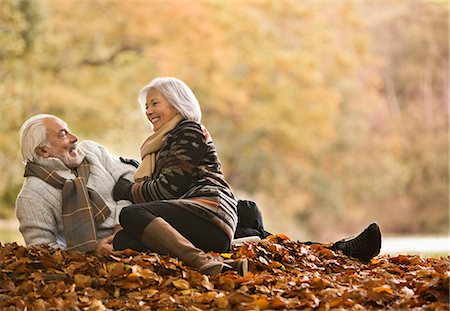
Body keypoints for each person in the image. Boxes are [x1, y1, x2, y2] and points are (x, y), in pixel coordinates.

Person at [112, 77, 246, 275]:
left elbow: (165, 190)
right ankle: (223, 265)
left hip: (209, 213)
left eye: (155, 103)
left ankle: (200, 261)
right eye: (146, 106)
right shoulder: (164, 142)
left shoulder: (189, 131)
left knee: (131, 214)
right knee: (123, 240)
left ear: (177, 103)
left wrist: (127, 190)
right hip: (193, 220)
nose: (148, 111)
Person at [15, 114, 137, 253]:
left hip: (136, 224)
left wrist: (120, 224)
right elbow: (41, 250)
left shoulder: (91, 151)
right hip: (102, 257)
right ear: (44, 151)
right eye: (63, 135)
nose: (74, 138)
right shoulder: (31, 196)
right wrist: (94, 252)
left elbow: (130, 174)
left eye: (69, 130)